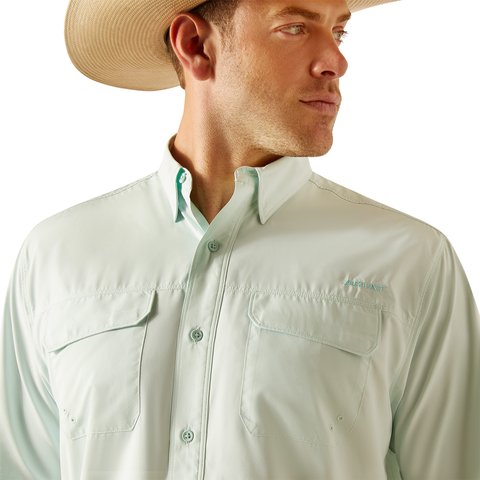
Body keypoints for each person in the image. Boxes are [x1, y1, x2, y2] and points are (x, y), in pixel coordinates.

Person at [1, 0, 479, 478]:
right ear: (195, 46)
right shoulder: (56, 257)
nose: (336, 60)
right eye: (295, 27)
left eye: (339, 32)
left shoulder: (411, 262)